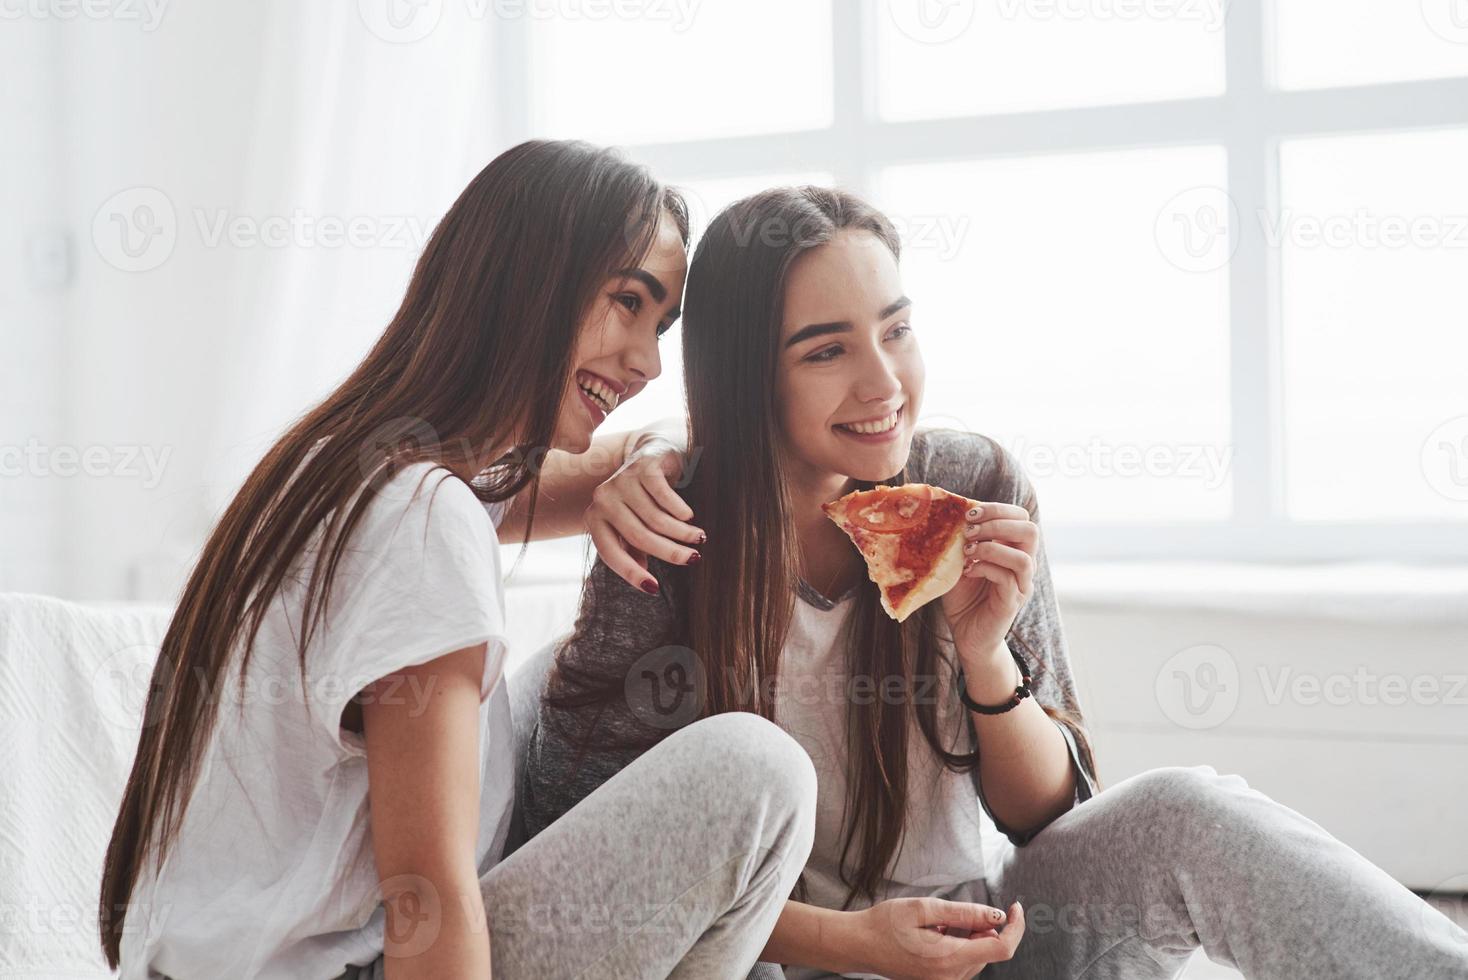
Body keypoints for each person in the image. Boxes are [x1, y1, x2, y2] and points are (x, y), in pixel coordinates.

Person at [522, 185, 1468, 979]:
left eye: (896, 330)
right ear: (742, 376)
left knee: (1187, 809)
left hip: (986, 942)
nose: (883, 381)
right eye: (826, 350)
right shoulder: (660, 526)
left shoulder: (972, 487)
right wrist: (851, 943)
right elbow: (606, 873)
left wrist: (984, 659)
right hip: (772, 957)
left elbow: (1051, 814)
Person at [100, 141, 815, 980]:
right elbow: (424, 895)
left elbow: (572, 475)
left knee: (568, 686)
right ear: (526, 280)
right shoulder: (421, 517)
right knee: (754, 773)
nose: (648, 363)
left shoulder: (346, 464)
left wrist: (649, 455)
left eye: (660, 327)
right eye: (628, 303)